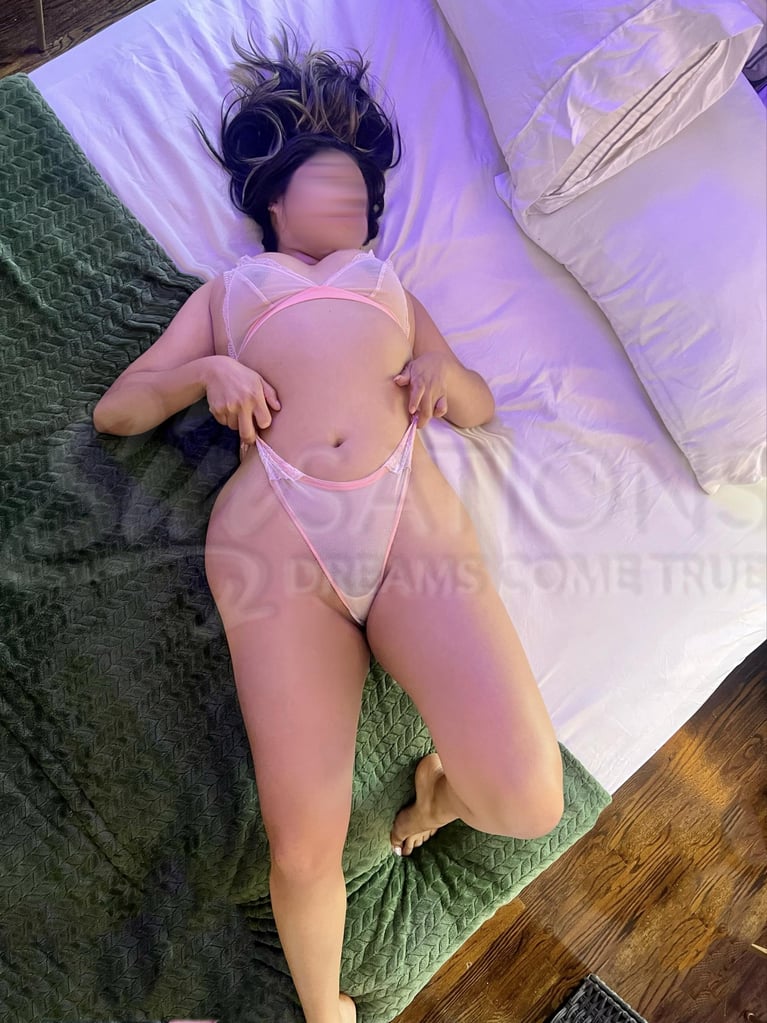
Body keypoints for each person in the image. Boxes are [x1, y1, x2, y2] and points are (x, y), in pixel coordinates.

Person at [92, 26, 565, 1023]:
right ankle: (326, 1011)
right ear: (273, 199)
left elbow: (477, 405)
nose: (354, 204)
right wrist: (206, 373)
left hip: (407, 529)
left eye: (364, 194)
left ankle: (439, 794)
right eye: (331, 183)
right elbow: (119, 412)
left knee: (528, 801)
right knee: (301, 843)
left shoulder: (389, 286)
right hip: (277, 547)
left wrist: (442, 375)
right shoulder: (229, 292)